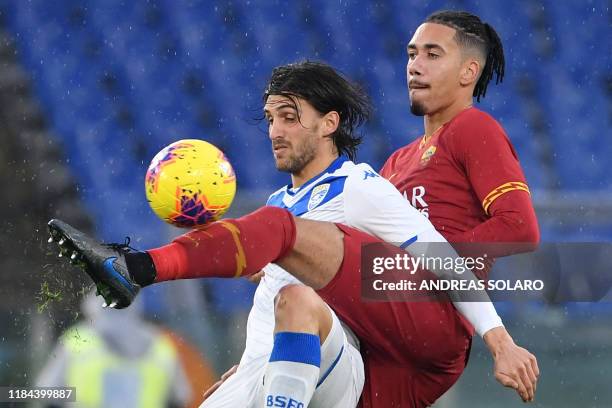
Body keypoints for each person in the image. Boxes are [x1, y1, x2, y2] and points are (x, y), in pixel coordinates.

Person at [47, 10, 540, 406]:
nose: (414, 64)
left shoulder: (469, 131)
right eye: (411, 53)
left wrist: (495, 336)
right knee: (287, 267)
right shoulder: (397, 161)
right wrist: (266, 358)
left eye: (433, 54)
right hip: (380, 346)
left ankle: (136, 266)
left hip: (430, 312)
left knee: (286, 233)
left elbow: (518, 230)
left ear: (469, 71)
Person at [36, 290, 192, 408]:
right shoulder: (161, 344)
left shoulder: (78, 340)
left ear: (92, 306)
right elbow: (181, 398)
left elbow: (48, 394)